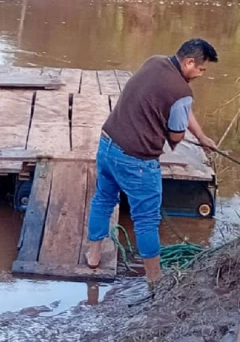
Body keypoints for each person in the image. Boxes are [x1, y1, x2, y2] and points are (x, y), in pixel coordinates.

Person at [84, 38, 219, 291]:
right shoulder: (182, 92)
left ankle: (93, 258)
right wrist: (177, 136)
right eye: (201, 69)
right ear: (189, 62)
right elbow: (176, 135)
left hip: (107, 145)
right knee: (146, 220)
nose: (201, 74)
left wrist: (201, 137)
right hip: (137, 161)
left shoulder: (154, 62)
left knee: (103, 200)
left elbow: (182, 108)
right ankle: (155, 281)